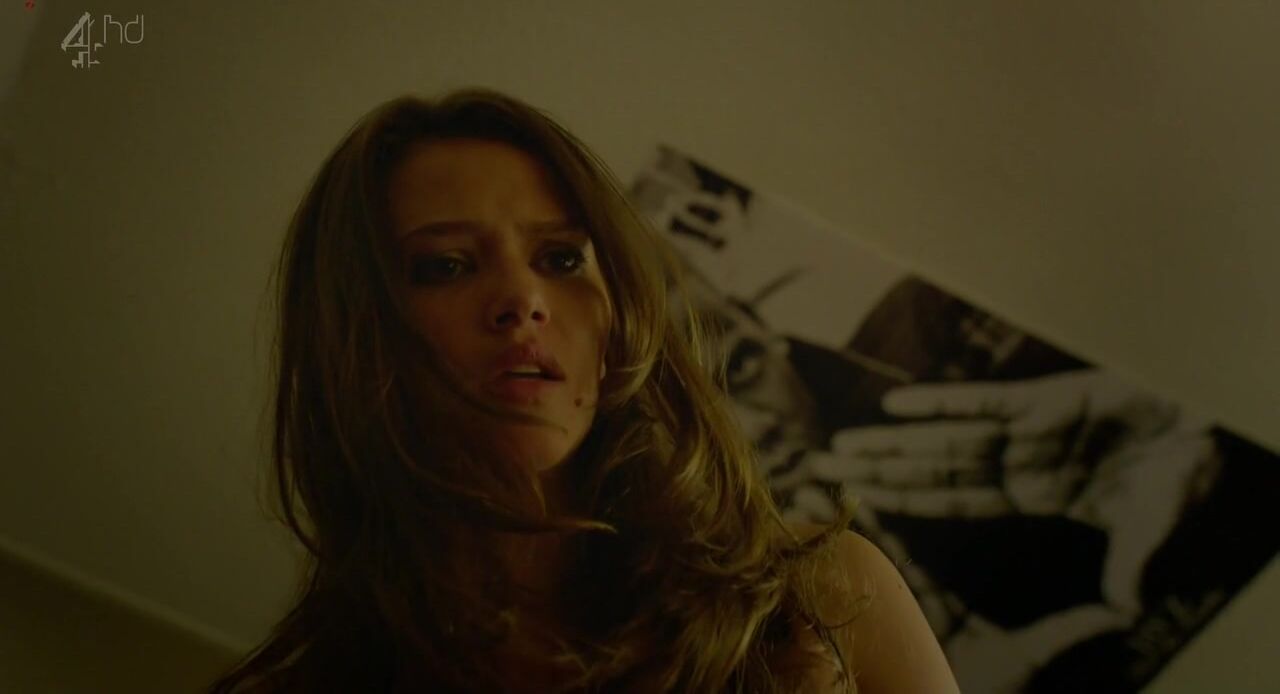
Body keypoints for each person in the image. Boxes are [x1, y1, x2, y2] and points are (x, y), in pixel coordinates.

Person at [206, 88, 957, 693]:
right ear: (355, 334)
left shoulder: (824, 596)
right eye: (446, 266)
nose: (522, 300)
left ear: (617, 319)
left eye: (562, 258)